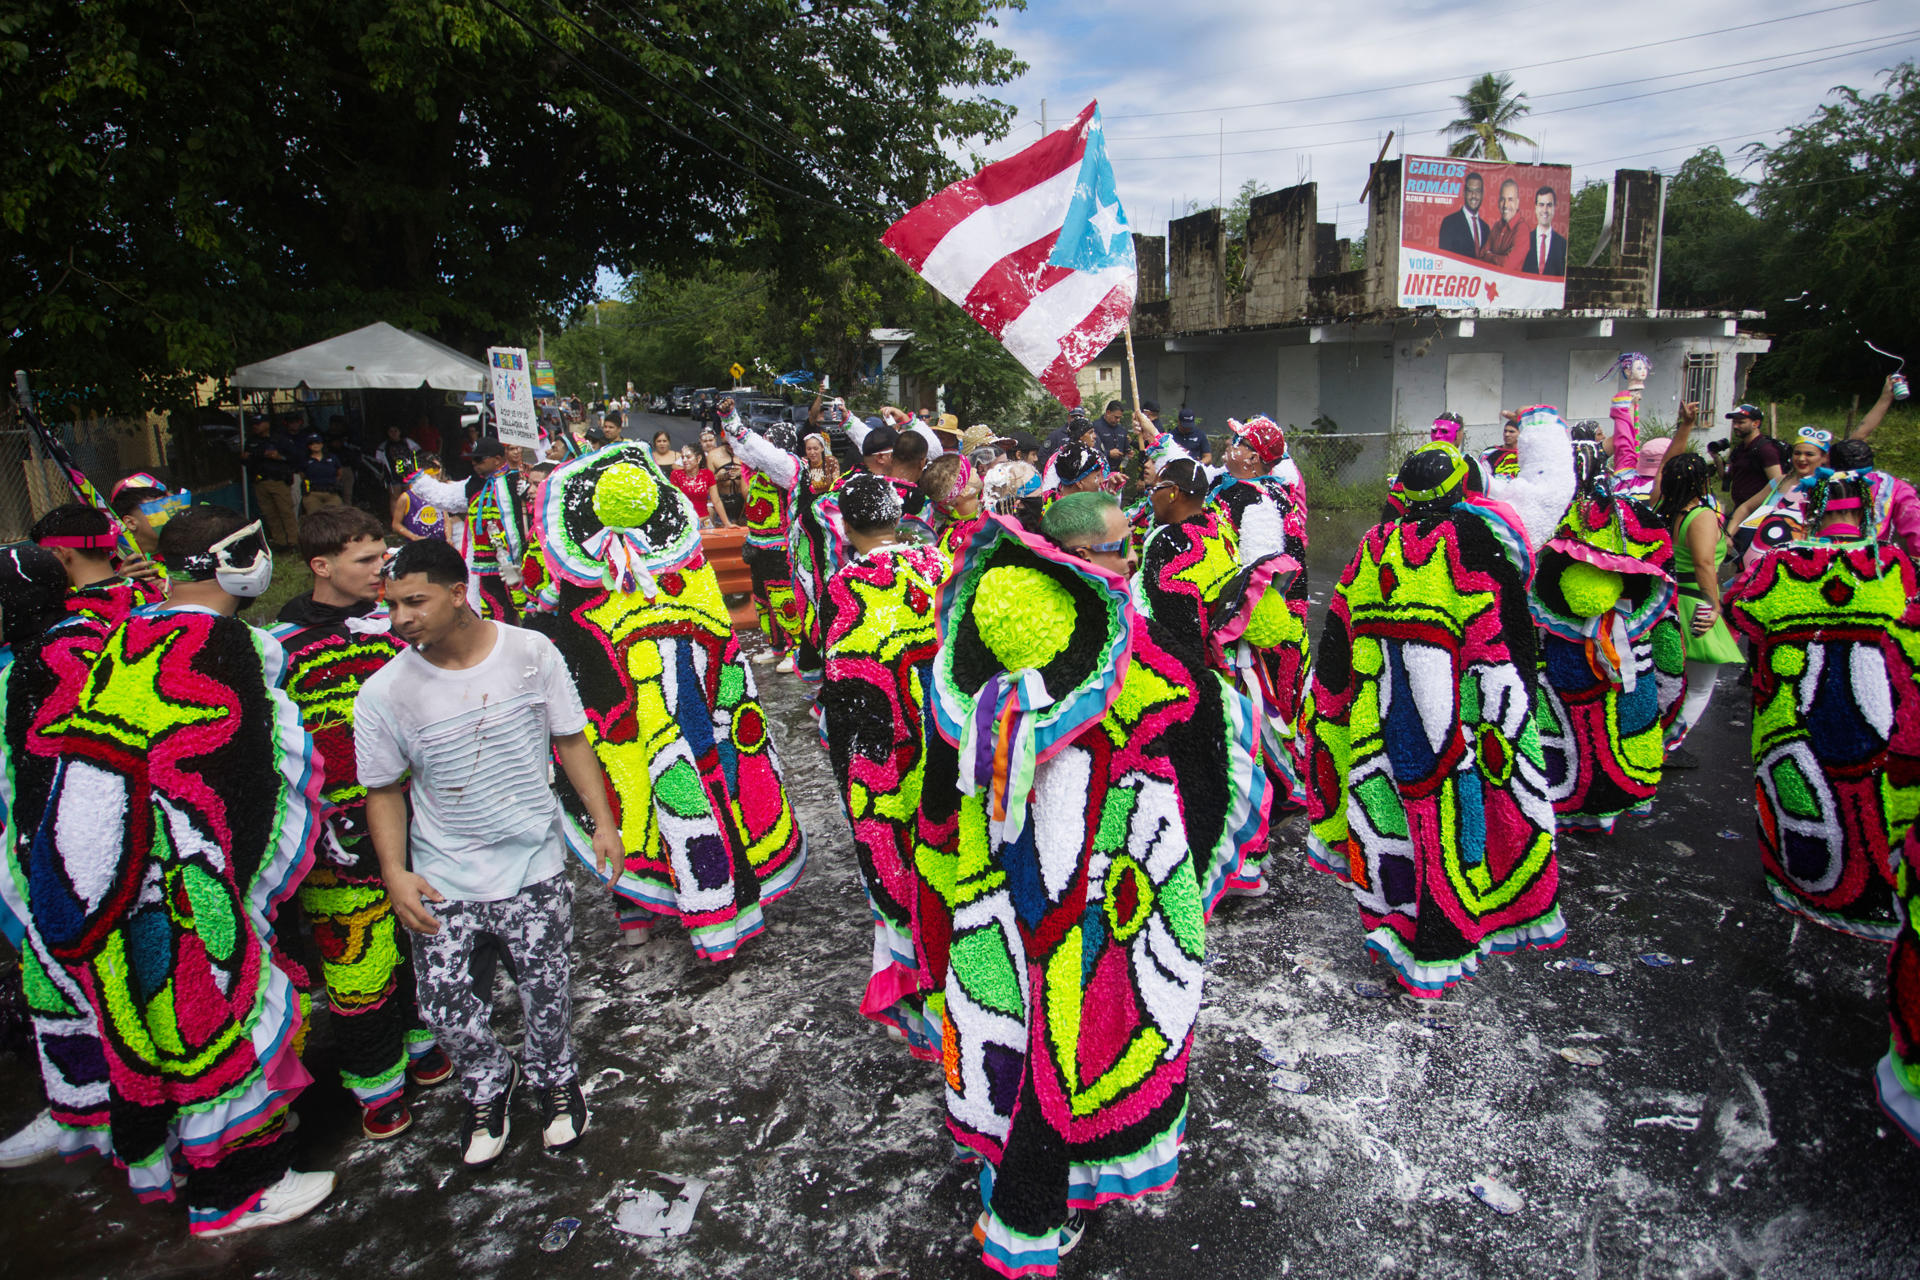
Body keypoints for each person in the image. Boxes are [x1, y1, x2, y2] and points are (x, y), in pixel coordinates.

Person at [7, 507, 335, 1234]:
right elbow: (244, 779)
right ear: (225, 564)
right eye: (251, 551)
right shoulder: (224, 646)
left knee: (174, 1025)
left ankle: (208, 1174)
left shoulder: (133, 632)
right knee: (212, 1026)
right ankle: (234, 1194)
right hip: (183, 882)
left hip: (133, 884)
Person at [924, 510, 1209, 1277]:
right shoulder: (1140, 652)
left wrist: (940, 896)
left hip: (994, 888)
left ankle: (1004, 1175)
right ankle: (1053, 1198)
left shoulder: (969, 645)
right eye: (1124, 548)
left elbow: (938, 794)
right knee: (1079, 1038)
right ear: (1087, 555)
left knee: (1006, 1022)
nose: (1134, 562)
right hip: (1096, 895)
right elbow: (1196, 750)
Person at [359, 537, 620, 1166]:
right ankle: (488, 1079)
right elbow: (383, 791)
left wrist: (602, 824)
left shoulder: (531, 653)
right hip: (443, 875)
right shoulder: (385, 693)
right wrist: (395, 872)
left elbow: (571, 741)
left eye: (414, 602)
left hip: (534, 861)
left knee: (546, 991)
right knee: (444, 1006)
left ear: (458, 594)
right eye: (392, 606)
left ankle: (555, 1077)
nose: (401, 620)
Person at [524, 439, 807, 957]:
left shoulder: (572, 574)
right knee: (694, 793)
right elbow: (721, 642)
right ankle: (716, 912)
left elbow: (552, 636)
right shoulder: (687, 560)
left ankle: (636, 912)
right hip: (689, 712)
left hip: (621, 715)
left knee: (628, 794)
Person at [1306, 443, 1563, 996]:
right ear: (1458, 489)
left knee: (1392, 819)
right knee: (1451, 821)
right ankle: (1442, 939)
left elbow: (1338, 634)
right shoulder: (1473, 541)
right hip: (1455, 720)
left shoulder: (1373, 544)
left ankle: (1399, 928)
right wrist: (1520, 707)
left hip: (1380, 717)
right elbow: (1510, 633)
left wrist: (1332, 707)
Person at [269, 508, 450, 1141]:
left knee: (419, 939)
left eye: (384, 559)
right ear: (321, 566)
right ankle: (374, 1079)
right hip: (333, 838)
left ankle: (422, 1039)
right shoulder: (278, 647)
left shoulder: (395, 628)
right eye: (367, 561)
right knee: (356, 959)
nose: (382, 571)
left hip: (415, 816)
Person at [1723, 473, 1920, 941]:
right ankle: (1879, 894)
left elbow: (1739, 612)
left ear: (1812, 512)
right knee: (1875, 797)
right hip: (1879, 706)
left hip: (1793, 707)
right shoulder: (1892, 563)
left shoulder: (1778, 563)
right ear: (1867, 510)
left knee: (1799, 792)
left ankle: (1806, 887)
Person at [815, 473, 946, 1053]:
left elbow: (842, 685)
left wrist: (855, 775)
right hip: (950, 739)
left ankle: (920, 993)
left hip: (887, 754)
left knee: (899, 860)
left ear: (845, 526)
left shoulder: (845, 584)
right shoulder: (941, 564)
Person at [0, 542, 113, 1171]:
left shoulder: (62, 659)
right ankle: (79, 1105)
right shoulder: (28, 660)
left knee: (90, 981)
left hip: (70, 859)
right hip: (29, 853)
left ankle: (108, 1111)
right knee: (54, 983)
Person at [1528, 452, 1689, 833]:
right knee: (1601, 730)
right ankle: (1603, 807)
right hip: (1591, 661)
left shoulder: (1555, 530)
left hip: (1590, 658)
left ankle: (1588, 805)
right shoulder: (1634, 522)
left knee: (1600, 732)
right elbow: (1670, 656)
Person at [1653, 417, 1736, 765]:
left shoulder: (1661, 507)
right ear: (1701, 481)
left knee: (1669, 679)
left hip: (1667, 602)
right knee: (1700, 685)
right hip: (1695, 602)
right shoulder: (1699, 515)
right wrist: (1715, 605)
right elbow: (1704, 564)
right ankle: (1666, 745)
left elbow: (1661, 473)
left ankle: (1654, 739)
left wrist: (1684, 429)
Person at [738, 424, 807, 672]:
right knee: (762, 600)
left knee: (784, 599)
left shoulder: (787, 467)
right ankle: (776, 645)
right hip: (758, 545)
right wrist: (730, 422)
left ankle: (799, 648)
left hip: (780, 546)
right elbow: (744, 449)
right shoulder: (759, 470)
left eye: (769, 440)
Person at [28, 503, 166, 621]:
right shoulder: (152, 591)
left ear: (62, 552)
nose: (43, 562)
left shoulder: (68, 613)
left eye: (44, 554)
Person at [465, 439, 525, 621]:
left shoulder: (519, 481)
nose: (474, 465)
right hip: (488, 563)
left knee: (524, 609)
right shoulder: (473, 485)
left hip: (519, 561)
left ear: (497, 459)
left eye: (479, 460)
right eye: (473, 460)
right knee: (494, 610)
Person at [1714, 404, 1787, 510]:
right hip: (1740, 507)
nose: (1735, 426)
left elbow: (1777, 483)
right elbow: (1726, 477)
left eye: (1741, 422)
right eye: (1734, 422)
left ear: (1756, 423)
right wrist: (1716, 457)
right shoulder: (1740, 448)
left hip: (1758, 510)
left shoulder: (1765, 449)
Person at [245, 416, 301, 549]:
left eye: (258, 423)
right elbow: (245, 458)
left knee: (286, 511)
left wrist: (279, 457)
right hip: (260, 481)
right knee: (270, 514)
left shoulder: (280, 439)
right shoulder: (251, 441)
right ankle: (280, 542)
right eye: (254, 424)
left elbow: (295, 457)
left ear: (267, 424)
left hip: (278, 480)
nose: (255, 426)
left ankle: (294, 542)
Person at [1438, 171, 1491, 259]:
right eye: (1470, 191)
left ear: (1482, 195)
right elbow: (1445, 260)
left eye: (1477, 191)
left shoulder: (1486, 228)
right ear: (1464, 193)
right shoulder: (1449, 223)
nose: (1474, 195)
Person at [1520, 185, 1566, 276]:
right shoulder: (1524, 241)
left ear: (1554, 208)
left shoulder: (1563, 244)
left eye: (1549, 205)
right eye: (1541, 205)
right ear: (1535, 208)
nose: (1545, 210)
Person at [671, 444, 720, 527]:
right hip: (685, 522)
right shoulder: (676, 474)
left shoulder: (707, 474)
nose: (684, 460)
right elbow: (674, 501)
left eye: (688, 457)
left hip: (704, 521)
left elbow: (717, 501)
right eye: (682, 457)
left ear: (699, 458)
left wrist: (727, 523)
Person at [300, 436, 346, 512]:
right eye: (312, 443)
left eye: (317, 443)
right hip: (312, 494)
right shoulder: (305, 460)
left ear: (322, 444)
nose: (315, 445)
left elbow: (339, 472)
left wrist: (333, 482)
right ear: (309, 446)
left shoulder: (332, 458)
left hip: (331, 494)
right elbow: (302, 475)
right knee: (315, 517)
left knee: (333, 516)